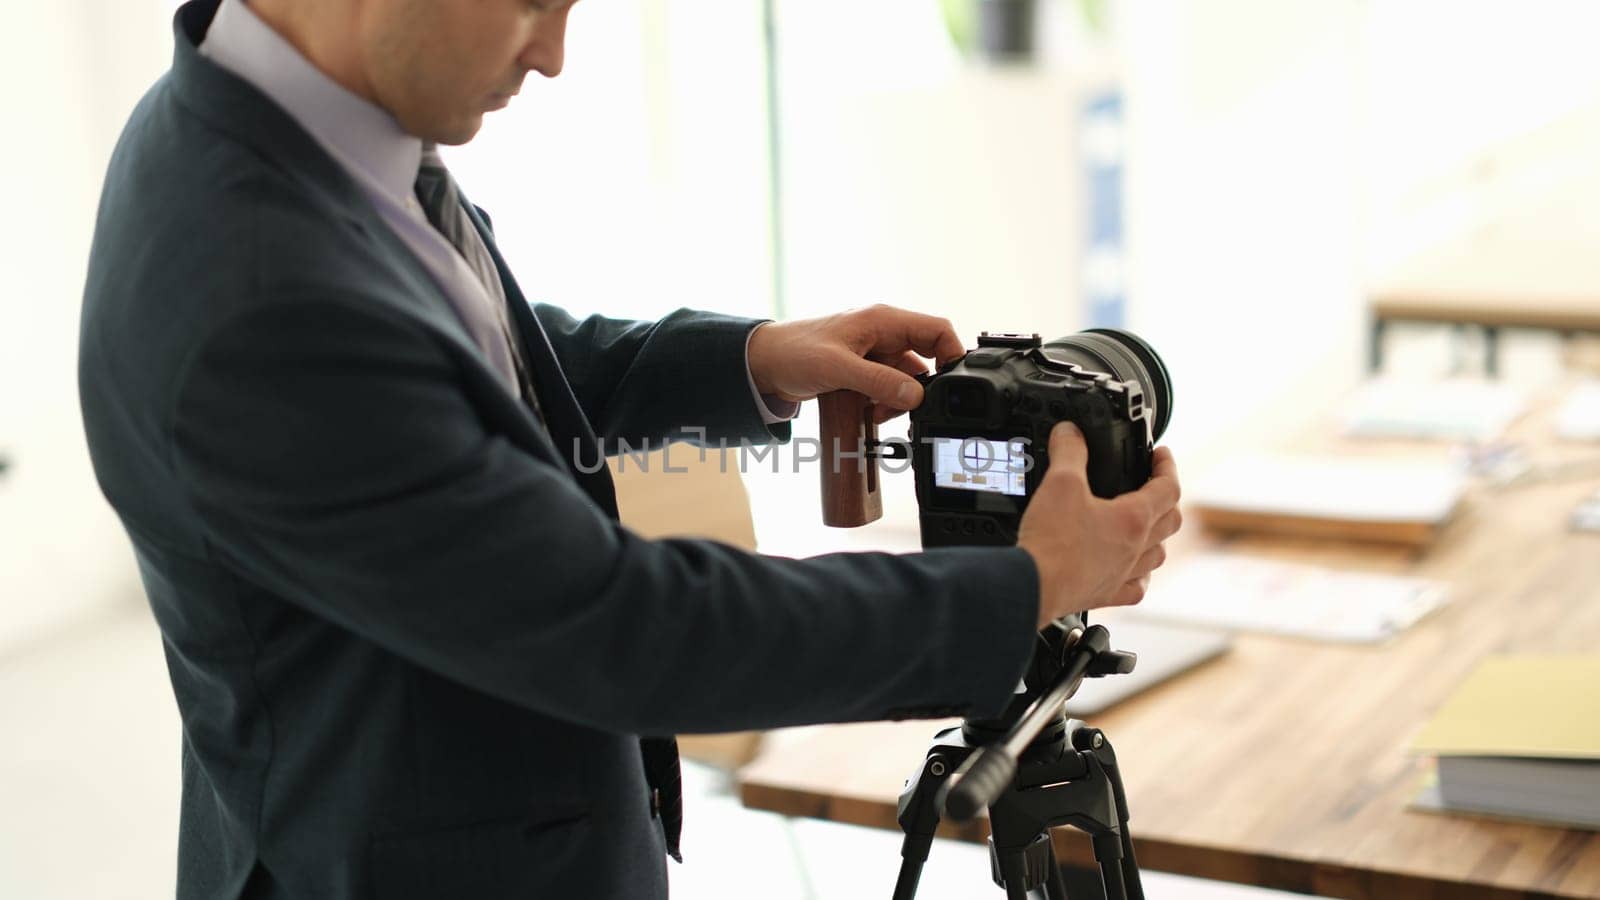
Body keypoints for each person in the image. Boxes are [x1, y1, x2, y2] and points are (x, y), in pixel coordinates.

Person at [77, 0, 1182, 897]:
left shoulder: (293, 127)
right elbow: (627, 628)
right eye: (533, 2)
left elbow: (474, 371)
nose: (555, 54)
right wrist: (1025, 587)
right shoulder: (262, 292)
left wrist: (757, 359)